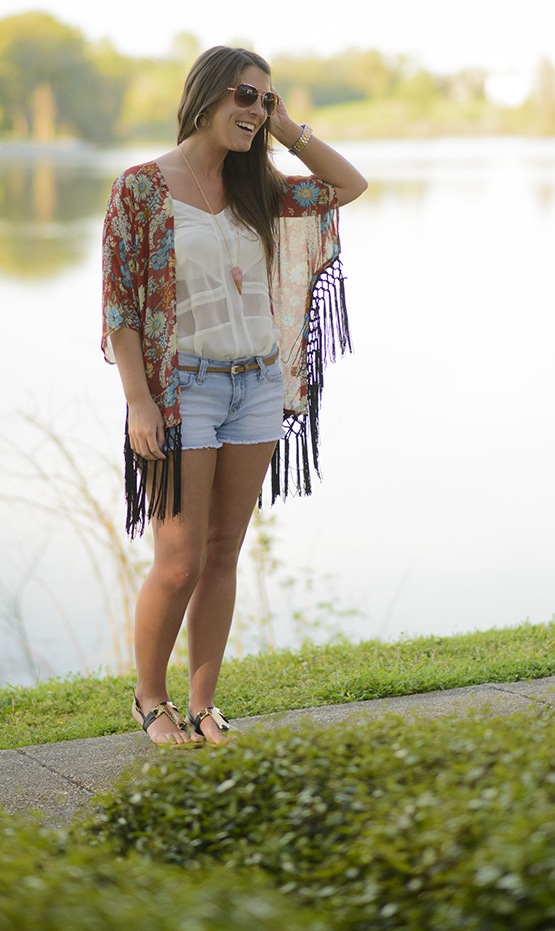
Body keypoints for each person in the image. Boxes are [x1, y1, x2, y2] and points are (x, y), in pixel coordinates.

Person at [102, 46, 367, 745]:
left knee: (223, 553)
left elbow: (348, 185)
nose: (256, 110)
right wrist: (138, 401)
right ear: (207, 94)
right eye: (246, 96)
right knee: (179, 560)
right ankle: (150, 700)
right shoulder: (141, 188)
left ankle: (202, 705)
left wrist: (286, 129)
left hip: (256, 385)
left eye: (266, 99)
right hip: (182, 389)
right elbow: (119, 311)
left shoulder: (260, 188)